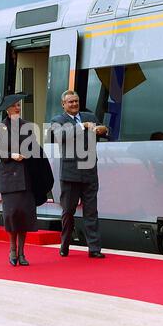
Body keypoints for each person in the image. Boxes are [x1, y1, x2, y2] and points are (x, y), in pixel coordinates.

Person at [0, 93, 54, 266]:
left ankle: (22, 252)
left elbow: (34, 148)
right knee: (11, 216)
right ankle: (12, 250)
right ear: (8, 109)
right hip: (9, 179)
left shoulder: (27, 126)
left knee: (25, 216)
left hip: (27, 177)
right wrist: (11, 155)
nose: (18, 107)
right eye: (15, 105)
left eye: (19, 105)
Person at [51, 90, 109, 258]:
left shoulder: (89, 116)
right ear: (64, 104)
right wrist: (81, 126)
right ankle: (65, 244)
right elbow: (60, 136)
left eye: (76, 101)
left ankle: (94, 249)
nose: (74, 104)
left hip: (90, 171)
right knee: (68, 211)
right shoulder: (58, 120)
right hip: (70, 174)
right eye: (71, 102)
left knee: (91, 211)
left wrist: (102, 129)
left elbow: (105, 130)